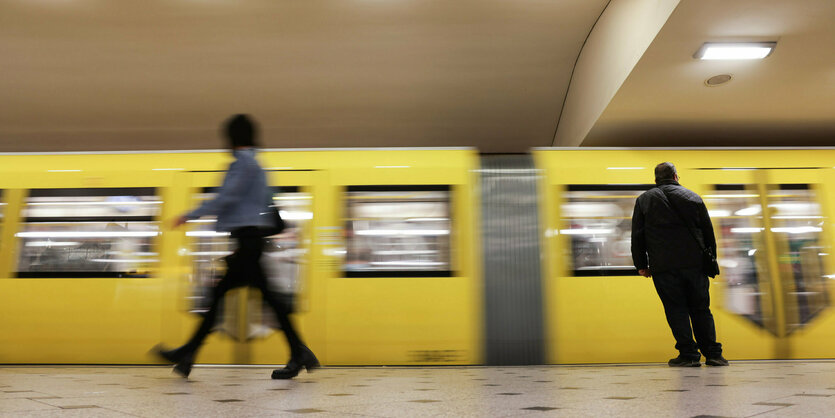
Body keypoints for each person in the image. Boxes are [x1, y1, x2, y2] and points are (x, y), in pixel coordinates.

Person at [154, 114, 318, 379]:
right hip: (248, 241)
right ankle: (299, 353)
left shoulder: (244, 164)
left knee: (227, 297)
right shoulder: (257, 165)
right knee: (260, 300)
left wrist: (189, 215)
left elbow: (226, 198)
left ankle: (187, 354)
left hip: (248, 241)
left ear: (232, 138)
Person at [631, 162, 728, 367]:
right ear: (676, 176)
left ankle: (689, 355)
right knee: (701, 309)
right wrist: (710, 260)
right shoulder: (693, 198)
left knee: (676, 310)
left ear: (656, 179)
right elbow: (708, 234)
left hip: (664, 267)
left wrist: (641, 264)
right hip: (695, 265)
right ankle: (713, 354)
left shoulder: (644, 200)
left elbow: (637, 237)